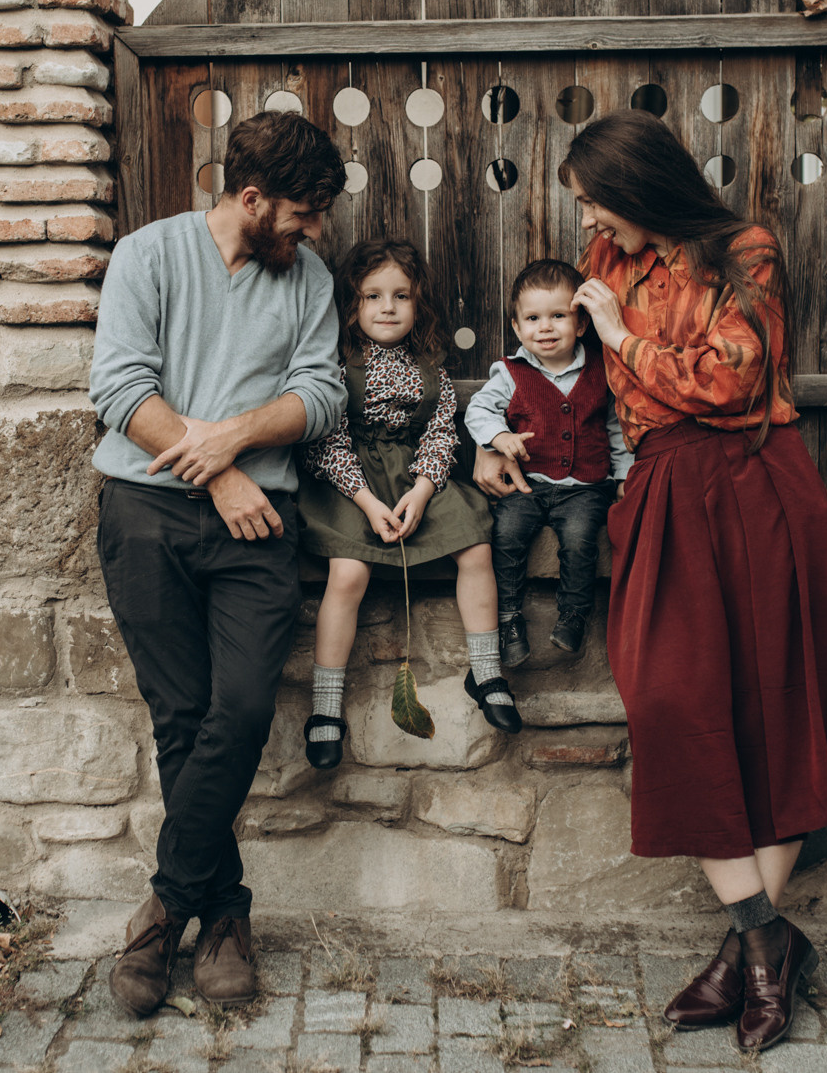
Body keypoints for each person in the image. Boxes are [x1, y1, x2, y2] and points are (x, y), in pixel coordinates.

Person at [474, 111, 827, 1052]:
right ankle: (767, 938)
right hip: (663, 485)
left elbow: (733, 379)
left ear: (638, 189)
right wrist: (491, 432)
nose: (588, 215)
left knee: (775, 711)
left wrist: (619, 333)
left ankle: (750, 958)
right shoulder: (611, 257)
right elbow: (574, 371)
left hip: (759, 481)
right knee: (668, 699)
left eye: (597, 197)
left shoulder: (744, 250)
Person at [89, 111, 348, 1016]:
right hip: (147, 512)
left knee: (238, 709)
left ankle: (165, 908)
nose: (315, 230)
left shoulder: (307, 276)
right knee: (182, 714)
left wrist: (236, 438)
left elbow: (321, 391)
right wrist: (224, 474)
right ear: (249, 198)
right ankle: (226, 915)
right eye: (304, 213)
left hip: (257, 527)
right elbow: (121, 388)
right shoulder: (147, 256)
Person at [298, 238, 521, 771]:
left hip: (417, 477)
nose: (387, 307)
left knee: (474, 546)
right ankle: (325, 706)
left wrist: (422, 490)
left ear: (418, 304)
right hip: (350, 482)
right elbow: (326, 440)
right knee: (348, 573)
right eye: (372, 296)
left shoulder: (433, 370)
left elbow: (441, 434)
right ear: (352, 307)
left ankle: (486, 669)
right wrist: (369, 502)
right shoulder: (334, 365)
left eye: (400, 296)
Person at [463, 257, 632, 668]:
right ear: (518, 327)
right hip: (529, 485)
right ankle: (508, 619)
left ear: (581, 324)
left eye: (558, 316)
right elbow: (478, 410)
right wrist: (498, 437)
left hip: (586, 487)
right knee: (506, 536)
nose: (545, 327)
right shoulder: (511, 372)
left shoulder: (600, 370)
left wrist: (625, 476)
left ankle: (574, 615)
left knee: (579, 541)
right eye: (533, 318)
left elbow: (615, 428)